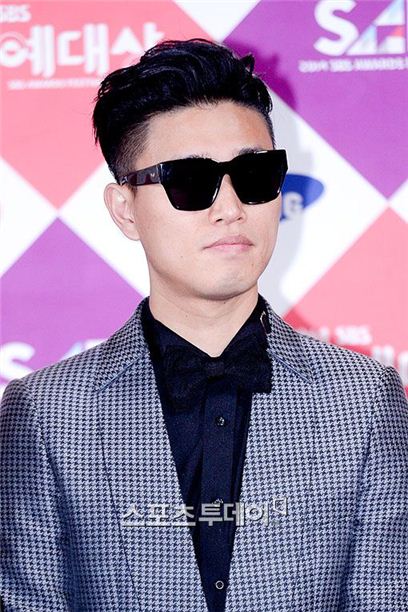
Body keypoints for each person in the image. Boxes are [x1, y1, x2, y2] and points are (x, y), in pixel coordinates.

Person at [1, 37, 407, 612]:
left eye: (255, 174)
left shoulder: (364, 400)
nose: (230, 208)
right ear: (125, 209)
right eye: (190, 181)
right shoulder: (46, 415)